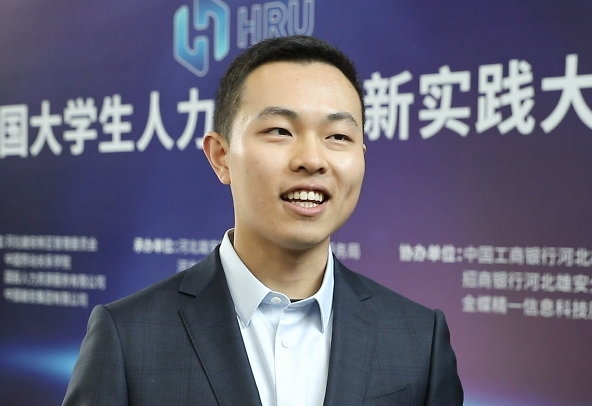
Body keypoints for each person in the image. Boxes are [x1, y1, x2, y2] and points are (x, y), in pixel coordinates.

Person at [62, 35, 463, 406]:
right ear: (221, 156)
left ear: (361, 155)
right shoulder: (128, 338)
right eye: (280, 130)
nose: (312, 159)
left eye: (338, 136)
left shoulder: (419, 340)